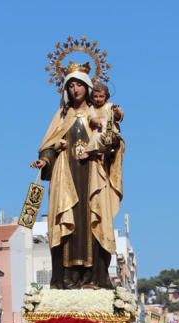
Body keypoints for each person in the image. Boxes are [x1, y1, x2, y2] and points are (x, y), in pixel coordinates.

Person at [31, 65, 123, 289]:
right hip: (66, 177)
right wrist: (45, 159)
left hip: (92, 175)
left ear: (87, 87)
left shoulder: (99, 112)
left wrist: (109, 140)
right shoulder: (62, 116)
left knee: (93, 220)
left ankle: (94, 277)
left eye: (79, 85)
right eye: (70, 86)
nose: (74, 90)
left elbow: (113, 139)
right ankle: (67, 278)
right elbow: (48, 144)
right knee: (67, 223)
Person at [81, 81, 124, 159]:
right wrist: (95, 121)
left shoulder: (109, 106)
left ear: (106, 97)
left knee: (109, 139)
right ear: (92, 97)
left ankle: (107, 151)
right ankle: (90, 151)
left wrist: (116, 111)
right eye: (95, 96)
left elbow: (118, 116)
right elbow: (90, 117)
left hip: (110, 129)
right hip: (99, 130)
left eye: (101, 96)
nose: (98, 99)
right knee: (96, 137)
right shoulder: (92, 108)